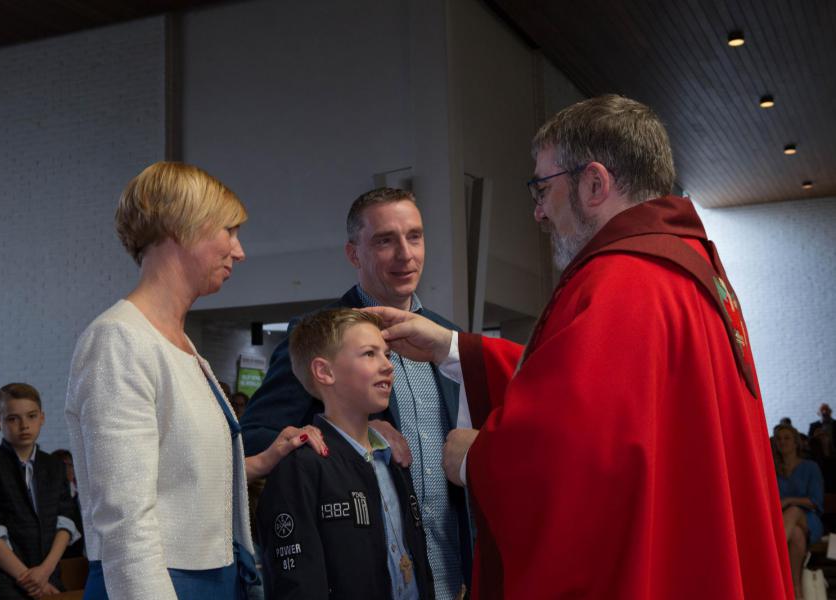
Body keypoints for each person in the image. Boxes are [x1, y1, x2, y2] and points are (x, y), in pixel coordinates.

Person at [366, 95, 791, 598]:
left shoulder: (620, 282)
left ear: (594, 184)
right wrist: (455, 349)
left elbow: (573, 460)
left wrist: (475, 459)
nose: (540, 211)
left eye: (543, 187)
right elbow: (596, 396)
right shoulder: (685, 270)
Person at [65, 161, 326, 600]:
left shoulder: (183, 347)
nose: (239, 251)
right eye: (229, 230)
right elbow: (126, 517)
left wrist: (261, 462)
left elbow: (174, 479)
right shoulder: (119, 340)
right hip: (156, 582)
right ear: (181, 228)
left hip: (212, 574)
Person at [240, 187, 472, 599]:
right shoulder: (320, 335)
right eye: (385, 240)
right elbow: (257, 435)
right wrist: (355, 434)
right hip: (367, 576)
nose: (405, 254)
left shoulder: (446, 338)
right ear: (354, 254)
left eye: (414, 236)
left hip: (451, 572)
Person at [258, 308, 434, 600]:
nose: (387, 366)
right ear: (325, 372)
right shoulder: (302, 466)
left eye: (387, 355)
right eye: (369, 354)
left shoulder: (393, 458)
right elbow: (297, 583)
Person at [0, 383, 80, 599]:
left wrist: (44, 573)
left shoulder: (54, 466)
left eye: (31, 416)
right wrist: (33, 582)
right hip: (5, 586)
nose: (24, 425)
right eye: (13, 418)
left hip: (49, 578)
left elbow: (66, 522)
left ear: (42, 418)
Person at [774, 424, 825, 599]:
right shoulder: (773, 469)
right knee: (795, 533)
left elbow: (816, 501)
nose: (782, 442)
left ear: (796, 442)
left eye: (787, 438)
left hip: (809, 519)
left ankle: (772, 557)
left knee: (794, 510)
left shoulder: (810, 467)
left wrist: (788, 500)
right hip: (783, 523)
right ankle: (796, 592)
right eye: (779, 439)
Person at [51, 449, 84, 559]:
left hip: (81, 555)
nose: (69, 469)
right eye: (64, 465)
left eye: (71, 465)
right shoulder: (49, 498)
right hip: (59, 556)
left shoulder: (80, 495)